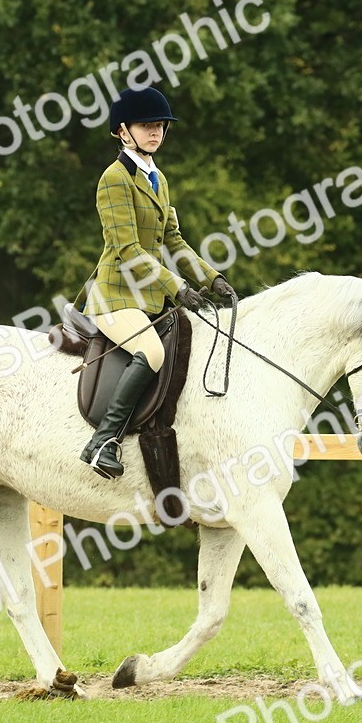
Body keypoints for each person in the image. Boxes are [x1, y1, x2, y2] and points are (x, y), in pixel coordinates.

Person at [72, 86, 235, 479]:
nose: (156, 132)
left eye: (160, 125)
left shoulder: (157, 176)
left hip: (149, 296)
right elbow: (127, 247)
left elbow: (173, 240)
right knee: (152, 352)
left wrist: (212, 279)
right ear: (122, 131)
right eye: (147, 125)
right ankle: (102, 442)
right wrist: (177, 286)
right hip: (115, 296)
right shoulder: (114, 179)